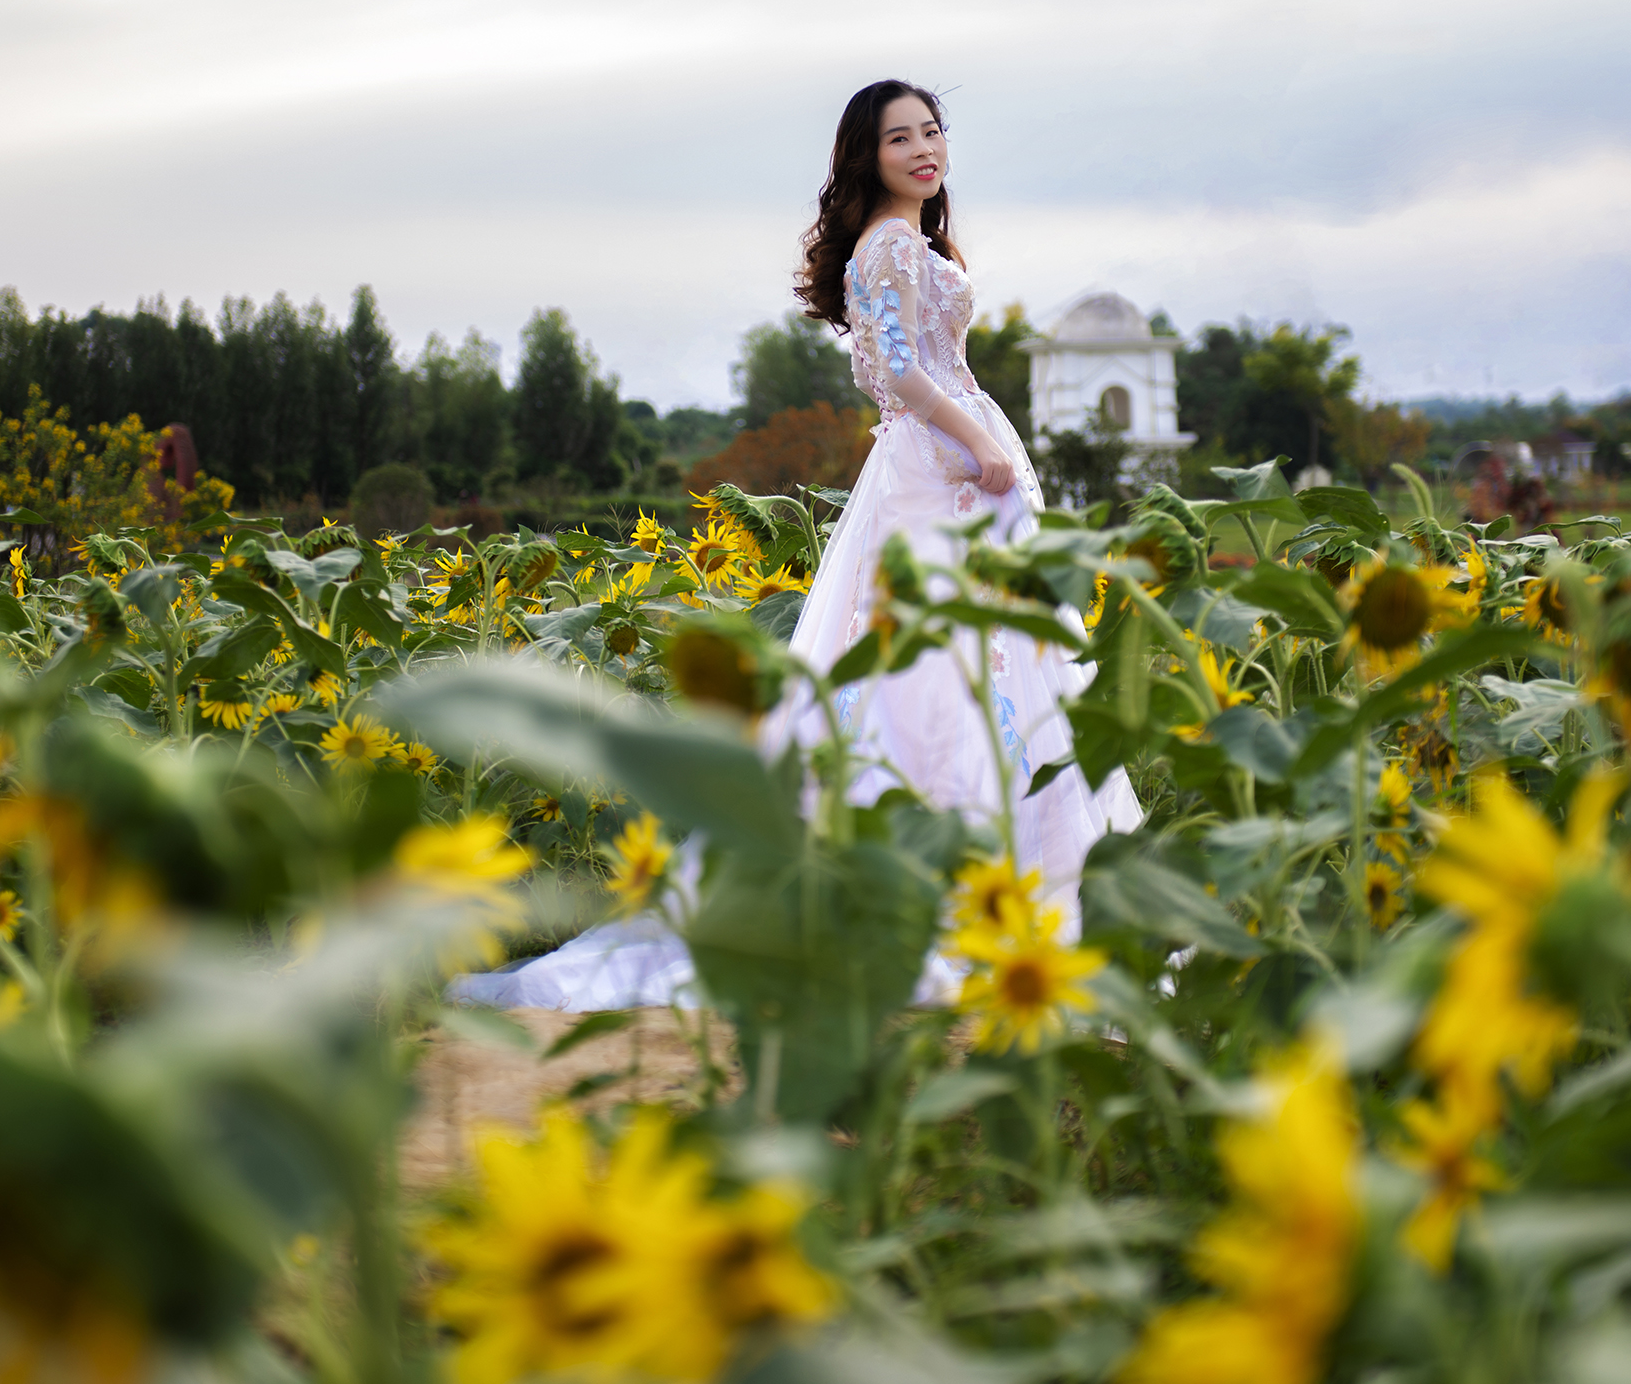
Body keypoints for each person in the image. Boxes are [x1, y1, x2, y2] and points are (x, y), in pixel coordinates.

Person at [452, 79, 1140, 1011]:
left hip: (950, 460)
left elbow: (941, 361)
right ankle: (931, 874)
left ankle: (996, 867)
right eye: (900, 137)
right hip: (934, 467)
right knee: (928, 655)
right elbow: (899, 371)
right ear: (868, 155)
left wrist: (989, 434)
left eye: (932, 132)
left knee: (981, 652)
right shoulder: (888, 246)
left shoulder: (920, 242)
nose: (923, 149)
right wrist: (978, 441)